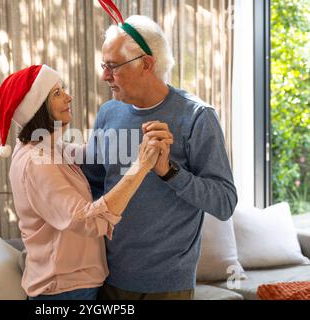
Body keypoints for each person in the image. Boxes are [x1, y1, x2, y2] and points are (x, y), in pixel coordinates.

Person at [81, 15, 238, 300]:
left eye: (113, 66)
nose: (105, 76)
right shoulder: (108, 113)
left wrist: (169, 172)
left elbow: (224, 202)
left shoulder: (197, 117)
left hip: (168, 286)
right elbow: (91, 185)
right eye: (104, 66)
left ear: (146, 64)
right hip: (106, 278)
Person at [0, 64, 162, 300]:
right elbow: (89, 220)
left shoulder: (49, 148)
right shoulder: (37, 161)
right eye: (57, 93)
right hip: (63, 292)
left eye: (62, 89)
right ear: (37, 109)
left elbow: (94, 154)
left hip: (74, 287)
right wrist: (142, 166)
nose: (68, 96)